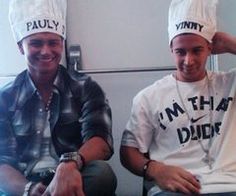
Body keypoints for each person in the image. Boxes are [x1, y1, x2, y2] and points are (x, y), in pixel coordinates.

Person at [0, 0, 117, 195]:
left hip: (74, 175)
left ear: (61, 44)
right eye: (36, 43)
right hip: (24, 183)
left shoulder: (86, 87)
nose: (46, 51)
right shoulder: (5, 98)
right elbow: (2, 163)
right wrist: (29, 189)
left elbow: (101, 140)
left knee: (102, 175)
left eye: (53, 42)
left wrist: (70, 163)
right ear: (21, 47)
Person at [120, 0, 236, 195]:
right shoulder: (149, 97)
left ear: (210, 47)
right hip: (174, 189)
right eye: (180, 52)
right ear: (170, 49)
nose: (188, 61)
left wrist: (231, 43)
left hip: (229, 185)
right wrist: (155, 169)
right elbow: (128, 152)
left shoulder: (230, 83)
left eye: (197, 50)